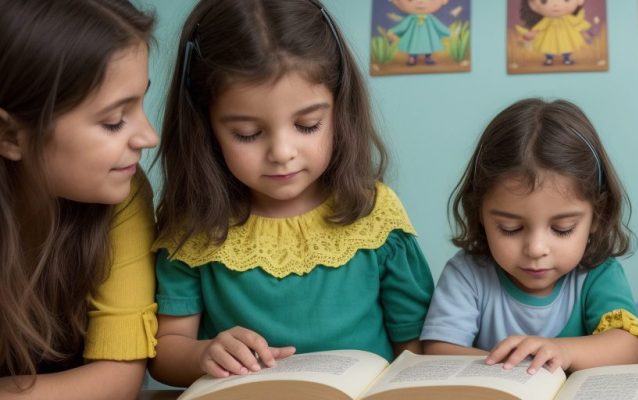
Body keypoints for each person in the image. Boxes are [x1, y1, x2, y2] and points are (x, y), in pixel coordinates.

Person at [149, 0, 434, 387]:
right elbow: (165, 352)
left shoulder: (374, 213)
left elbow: (416, 347)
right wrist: (203, 353)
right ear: (205, 127)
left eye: (308, 124)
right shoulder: (193, 226)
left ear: (339, 110)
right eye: (247, 133)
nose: (282, 153)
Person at [0, 0, 159, 398]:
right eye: (113, 121)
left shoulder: (122, 194)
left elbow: (118, 380)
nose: (148, 137)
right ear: (9, 136)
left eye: (141, 102)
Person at [421, 98, 638, 375]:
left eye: (562, 228)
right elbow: (439, 351)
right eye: (510, 228)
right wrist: (515, 367)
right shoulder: (468, 273)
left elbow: (629, 347)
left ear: (597, 216)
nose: (536, 249)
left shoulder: (598, 274)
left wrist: (562, 351)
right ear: (478, 211)